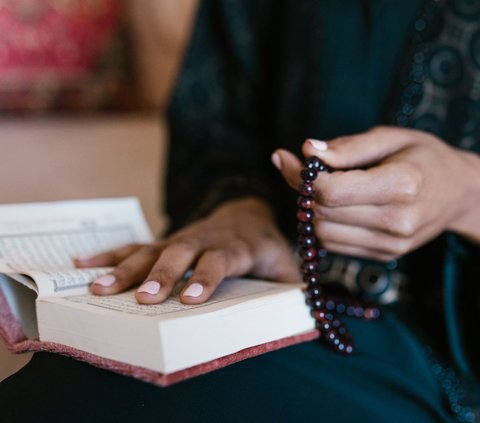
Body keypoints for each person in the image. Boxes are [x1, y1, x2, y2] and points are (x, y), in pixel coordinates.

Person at [1, 1, 479, 422]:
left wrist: (465, 193)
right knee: (74, 390)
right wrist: (239, 210)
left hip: (445, 353)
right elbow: (213, 128)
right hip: (265, 301)